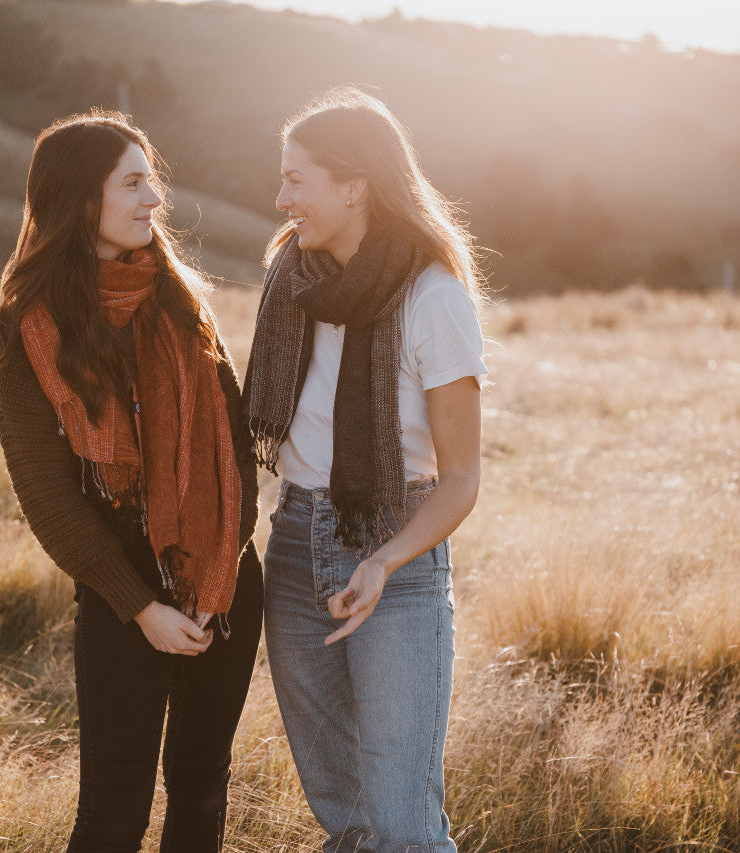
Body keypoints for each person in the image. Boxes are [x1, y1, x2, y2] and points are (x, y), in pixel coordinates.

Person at [0, 110, 262, 853]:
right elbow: (45, 493)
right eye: (133, 182)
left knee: (201, 791)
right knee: (114, 813)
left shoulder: (182, 303)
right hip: (121, 592)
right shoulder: (30, 326)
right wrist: (141, 605)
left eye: (153, 182)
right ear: (82, 199)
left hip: (223, 585)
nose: (154, 200)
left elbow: (235, 452)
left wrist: (220, 569)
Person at [244, 87, 487, 852]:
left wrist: (382, 559)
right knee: (341, 809)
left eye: (296, 179)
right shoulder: (294, 278)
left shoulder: (432, 296)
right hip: (292, 545)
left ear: (353, 186)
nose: (281, 198)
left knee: (402, 823)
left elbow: (460, 478)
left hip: (395, 553)